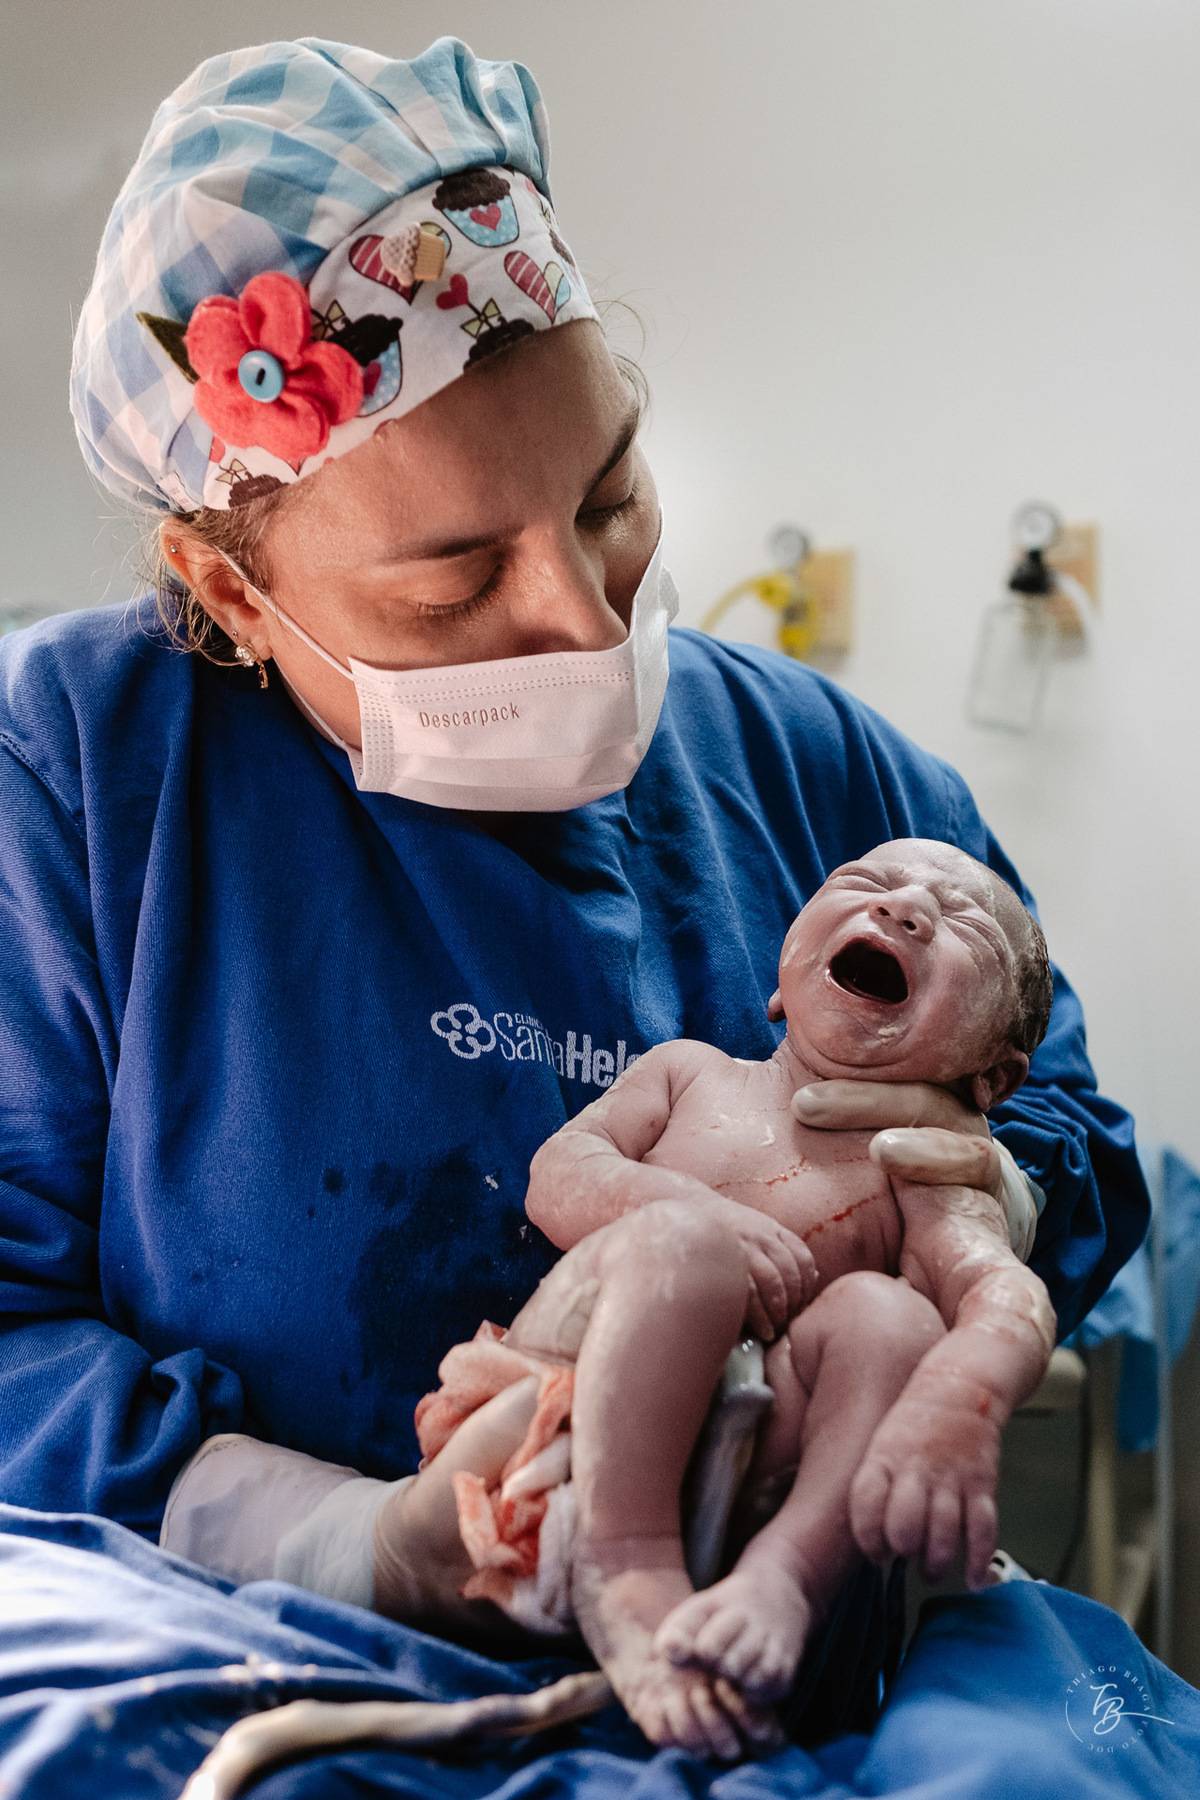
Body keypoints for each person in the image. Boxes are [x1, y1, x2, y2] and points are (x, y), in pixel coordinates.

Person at [0, 33, 1146, 1748]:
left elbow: (1070, 1118)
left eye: (610, 498)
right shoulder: (78, 780)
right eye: (456, 576)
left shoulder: (818, 765)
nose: (587, 618)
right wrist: (354, 1539)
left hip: (790, 1680)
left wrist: (981, 1199)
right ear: (229, 596)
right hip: (241, 1647)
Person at [412, 840, 1057, 1757]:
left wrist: (964, 1399)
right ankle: (624, 1568)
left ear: (994, 1077)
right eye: (867, 886)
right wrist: (682, 1207)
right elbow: (559, 1175)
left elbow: (1001, 1294)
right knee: (687, 1247)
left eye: (966, 931)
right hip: (567, 1399)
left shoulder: (927, 1165)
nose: (907, 909)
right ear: (782, 985)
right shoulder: (688, 1073)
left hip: (750, 1468)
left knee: (897, 1320)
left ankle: (785, 1578)